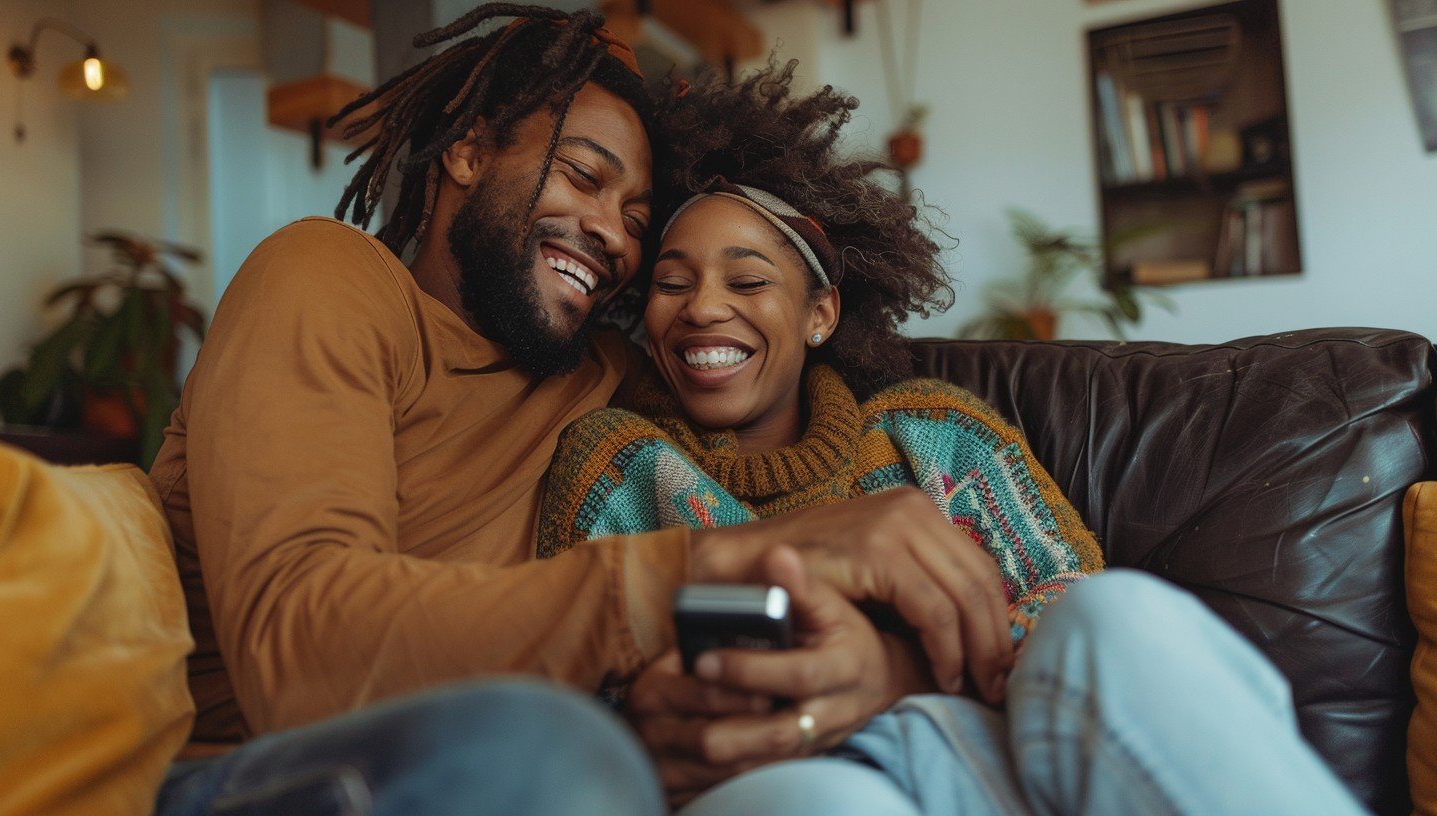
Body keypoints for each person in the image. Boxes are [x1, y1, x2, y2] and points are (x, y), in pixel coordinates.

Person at [149, 5, 1013, 811]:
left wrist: (882, 667)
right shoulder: (328, 278)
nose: (612, 234)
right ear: (469, 152)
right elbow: (296, 659)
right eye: (583, 178)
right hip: (255, 769)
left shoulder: (597, 372)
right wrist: (698, 573)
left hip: (515, 752)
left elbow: (776, 441)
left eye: (638, 218)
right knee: (560, 748)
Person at [536, 64, 1372, 815]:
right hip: (791, 776)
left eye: (748, 281)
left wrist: (891, 669)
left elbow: (1057, 597)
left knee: (1115, 616)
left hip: (991, 753)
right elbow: (583, 694)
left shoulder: (932, 435)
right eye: (670, 284)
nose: (703, 308)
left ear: (820, 314)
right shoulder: (618, 466)